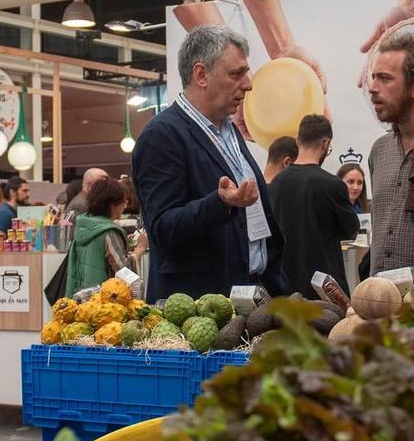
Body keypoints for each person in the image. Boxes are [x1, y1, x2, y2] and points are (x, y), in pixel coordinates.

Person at [132, 25, 284, 300]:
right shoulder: (162, 136)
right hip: (198, 309)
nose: (248, 84)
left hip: (249, 295)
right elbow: (163, 228)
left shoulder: (230, 131)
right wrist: (220, 203)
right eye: (236, 74)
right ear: (201, 74)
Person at [365, 31, 414, 280]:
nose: (372, 88)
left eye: (385, 79)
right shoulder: (379, 150)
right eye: (373, 77)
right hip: (378, 304)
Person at [268, 115, 365, 298]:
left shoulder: (276, 183)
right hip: (323, 289)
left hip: (285, 287)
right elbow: (351, 229)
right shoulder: (332, 185)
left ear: (298, 140)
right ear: (325, 143)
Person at [63, 178, 147, 294]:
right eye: (124, 201)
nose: (125, 205)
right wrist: (139, 249)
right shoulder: (108, 231)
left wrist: (121, 243)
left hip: (83, 297)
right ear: (112, 204)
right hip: (104, 301)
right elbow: (124, 271)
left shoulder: (83, 224)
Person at [0, 176, 29, 244]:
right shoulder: (4, 213)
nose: (28, 195)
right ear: (12, 192)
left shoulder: (12, 212)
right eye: (24, 191)